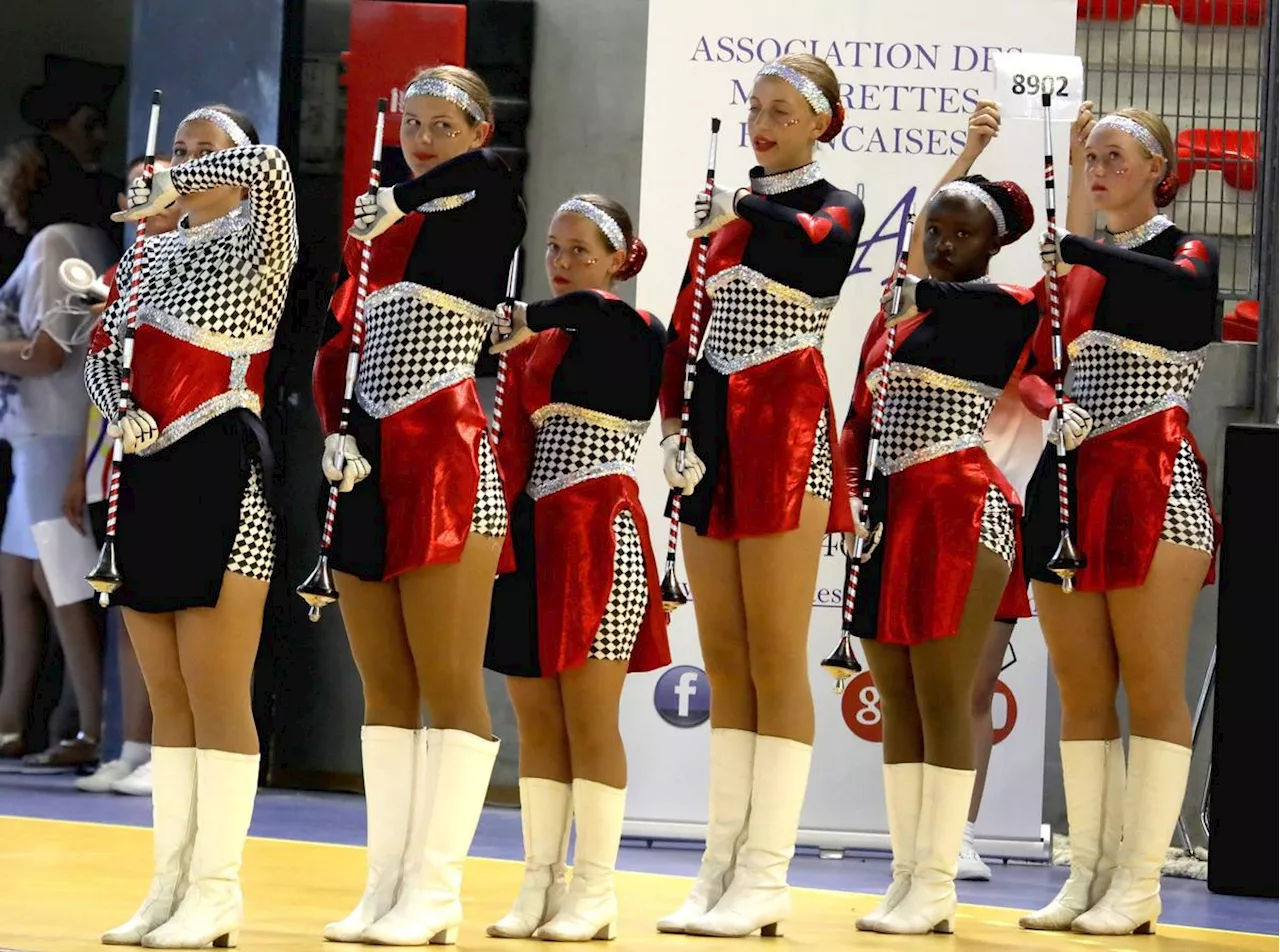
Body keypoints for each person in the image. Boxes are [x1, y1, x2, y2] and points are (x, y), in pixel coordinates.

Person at [314, 65, 524, 946]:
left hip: (445, 454)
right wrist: (335, 425)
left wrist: (400, 199)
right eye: (414, 122)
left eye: (445, 124)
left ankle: (437, 892)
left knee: (448, 680)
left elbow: (474, 188)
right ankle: (386, 886)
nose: (424, 137)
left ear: (478, 132)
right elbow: (340, 340)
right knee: (385, 687)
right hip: (367, 455)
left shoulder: (484, 195)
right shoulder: (381, 216)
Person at [655, 54, 864, 940]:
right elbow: (684, 326)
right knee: (727, 653)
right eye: (756, 108)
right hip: (710, 436)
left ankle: (768, 874)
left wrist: (734, 209)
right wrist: (670, 425)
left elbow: (814, 241)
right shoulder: (727, 216)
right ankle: (721, 866)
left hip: (784, 432)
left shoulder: (832, 204)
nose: (764, 123)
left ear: (821, 123)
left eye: (783, 111)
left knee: (777, 652)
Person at [85, 104, 298, 947]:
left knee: (216, 693)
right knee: (166, 699)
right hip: (147, 467)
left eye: (208, 152)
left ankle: (217, 891)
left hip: (223, 463)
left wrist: (172, 178)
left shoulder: (258, 241)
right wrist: (119, 409)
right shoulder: (146, 253)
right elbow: (105, 356)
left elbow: (276, 167)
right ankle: (167, 885)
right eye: (180, 149)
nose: (187, 162)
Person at [1018, 103, 1218, 937]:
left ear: (1158, 172)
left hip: (1154, 481)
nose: (1097, 169)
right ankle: (1089, 874)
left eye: (1114, 158)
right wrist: (1048, 401)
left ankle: (1139, 883)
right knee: (1082, 686)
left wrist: (1082, 248)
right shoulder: (1076, 269)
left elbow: (1184, 299)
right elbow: (1032, 361)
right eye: (1089, 157)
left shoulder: (1186, 250)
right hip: (1070, 478)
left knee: (1151, 681)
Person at [841, 163, 1039, 935]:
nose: (945, 243)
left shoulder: (1002, 309)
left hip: (961, 507)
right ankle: (905, 874)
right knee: (896, 694)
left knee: (946, 695)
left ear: (996, 244)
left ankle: (938, 879)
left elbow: (989, 306)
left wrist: (920, 288)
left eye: (964, 232)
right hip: (893, 508)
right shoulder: (902, 315)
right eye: (936, 230)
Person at [483, 195, 670, 942]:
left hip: (601, 531)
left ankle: (595, 890)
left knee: (591, 721)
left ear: (622, 260)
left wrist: (528, 315)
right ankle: (539, 883)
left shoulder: (636, 328)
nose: (561, 264)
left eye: (581, 251)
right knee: (539, 725)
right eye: (554, 249)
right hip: (534, 534)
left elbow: (593, 315)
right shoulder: (536, 340)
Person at [71, 152, 181, 796]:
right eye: (134, 190)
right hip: (116, 451)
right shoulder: (128, 267)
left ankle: (166, 749)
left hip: (179, 447)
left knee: (170, 613)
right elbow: (100, 362)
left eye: (156, 189)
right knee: (125, 607)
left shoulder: (203, 264)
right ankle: (132, 743)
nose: (145, 202)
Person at [0, 208, 117, 769]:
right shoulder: (85, 239)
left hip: (56, 430)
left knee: (63, 583)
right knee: (19, 579)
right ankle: (17, 724)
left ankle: (93, 728)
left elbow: (49, 352)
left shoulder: (59, 241)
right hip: (36, 435)